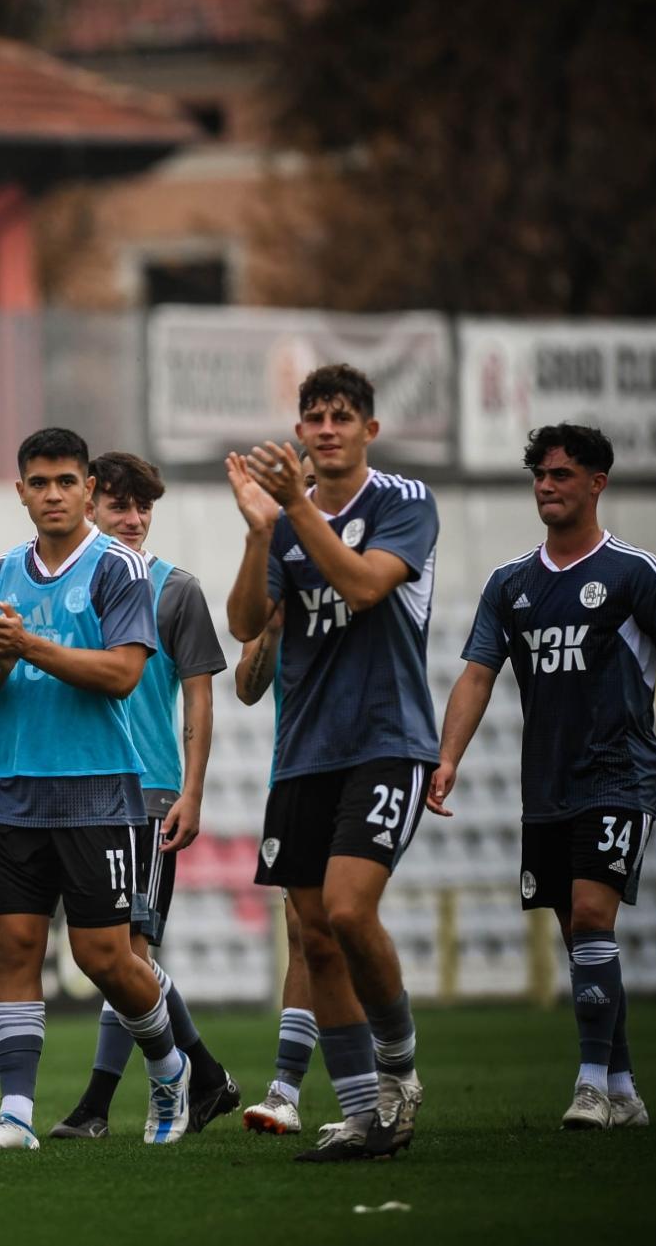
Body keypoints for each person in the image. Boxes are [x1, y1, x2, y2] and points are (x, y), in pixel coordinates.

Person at [427, 423, 656, 1130]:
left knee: (590, 916)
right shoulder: (509, 583)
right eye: (540, 475)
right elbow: (478, 674)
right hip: (544, 783)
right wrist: (448, 755)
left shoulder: (638, 572)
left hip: (618, 772)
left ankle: (587, 1084)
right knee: (581, 940)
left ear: (597, 482)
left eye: (562, 474)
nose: (547, 486)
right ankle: (624, 1085)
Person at [0, 427, 192, 1153]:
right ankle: (16, 1114)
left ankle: (171, 1068)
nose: (52, 493)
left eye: (65, 480)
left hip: (97, 790)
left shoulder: (118, 567)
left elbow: (123, 671)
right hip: (16, 788)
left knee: (105, 957)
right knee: (15, 944)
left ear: (88, 487)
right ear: (19, 489)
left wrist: (30, 648)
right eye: (38, 481)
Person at [225, 363, 436, 1161]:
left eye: (342, 416)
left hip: (387, 738)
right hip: (303, 750)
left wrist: (293, 510)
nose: (325, 427)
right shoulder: (282, 523)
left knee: (348, 910)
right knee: (314, 937)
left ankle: (400, 1071)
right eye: (313, 416)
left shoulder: (404, 503)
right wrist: (257, 533)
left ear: (368, 431)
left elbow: (363, 585)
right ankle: (361, 1115)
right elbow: (247, 619)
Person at [52, 452, 237, 1140]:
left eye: (143, 507)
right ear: (92, 504)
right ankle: (209, 1075)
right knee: (121, 956)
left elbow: (199, 696)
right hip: (80, 792)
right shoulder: (63, 584)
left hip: (149, 793)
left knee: (127, 948)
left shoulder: (176, 589)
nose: (131, 518)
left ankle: (99, 1103)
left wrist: (192, 789)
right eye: (119, 504)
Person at [233, 611, 319, 1136]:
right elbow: (247, 687)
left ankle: (392, 1072)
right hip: (294, 775)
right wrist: (272, 627)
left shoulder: (363, 572)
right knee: (303, 932)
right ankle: (285, 1091)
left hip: (366, 767)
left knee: (347, 925)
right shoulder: (274, 581)